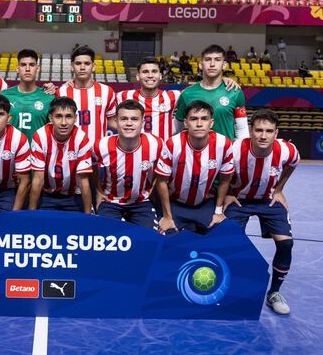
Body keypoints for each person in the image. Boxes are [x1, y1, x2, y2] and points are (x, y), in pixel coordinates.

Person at [224, 109, 299, 315]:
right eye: (258, 130)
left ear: (276, 132)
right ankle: (230, 289)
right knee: (229, 242)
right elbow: (222, 172)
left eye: (269, 131)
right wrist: (229, 192)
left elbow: (292, 164)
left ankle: (273, 293)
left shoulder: (287, 151)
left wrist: (279, 189)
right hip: (240, 200)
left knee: (286, 243)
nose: (263, 135)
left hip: (268, 199)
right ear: (250, 130)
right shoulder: (235, 148)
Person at [155, 100, 234, 235]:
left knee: (222, 237)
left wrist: (218, 212)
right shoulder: (173, 143)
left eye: (204, 119)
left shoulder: (223, 144)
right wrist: (167, 216)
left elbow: (225, 180)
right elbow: (161, 181)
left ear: (211, 123)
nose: (199, 124)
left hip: (204, 204)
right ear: (186, 123)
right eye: (193, 119)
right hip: (175, 203)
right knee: (165, 239)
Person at [92, 99, 166, 229]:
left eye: (134, 119)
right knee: (104, 236)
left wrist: (152, 192)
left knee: (149, 239)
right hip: (111, 201)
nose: (129, 124)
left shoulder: (156, 144)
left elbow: (160, 173)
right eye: (124, 119)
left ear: (142, 122)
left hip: (141, 202)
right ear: (116, 121)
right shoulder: (101, 145)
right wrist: (98, 190)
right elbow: (92, 168)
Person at [28, 96, 93, 213]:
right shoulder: (40, 136)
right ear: (50, 118)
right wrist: (32, 213)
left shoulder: (81, 138)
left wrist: (88, 215)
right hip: (46, 195)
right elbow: (38, 179)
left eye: (68, 117)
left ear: (75, 118)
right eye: (58, 116)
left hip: (74, 196)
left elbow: (84, 181)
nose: (63, 122)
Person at [174, 44, 248, 141]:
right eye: (208, 59)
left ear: (224, 65)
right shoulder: (187, 94)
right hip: (195, 154)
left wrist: (242, 152)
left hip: (226, 154)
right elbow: (176, 129)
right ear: (201, 64)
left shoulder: (235, 92)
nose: (212, 64)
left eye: (217, 60)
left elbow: (242, 130)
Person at [56, 45, 117, 145]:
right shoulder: (62, 92)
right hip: (69, 152)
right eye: (78, 63)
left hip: (97, 153)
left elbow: (111, 121)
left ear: (93, 67)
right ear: (72, 67)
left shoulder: (107, 91)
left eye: (87, 63)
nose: (82, 67)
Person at [117, 57, 181, 142]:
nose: (150, 75)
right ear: (138, 77)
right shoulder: (123, 96)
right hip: (134, 151)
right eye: (145, 72)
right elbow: (109, 117)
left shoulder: (173, 96)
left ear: (160, 76)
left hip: (162, 153)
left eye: (154, 71)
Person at [2, 49, 54, 142]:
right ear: (17, 68)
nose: (27, 69)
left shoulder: (48, 97)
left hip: (39, 153)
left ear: (38, 68)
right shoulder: (4, 96)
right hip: (12, 153)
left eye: (32, 65)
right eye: (23, 65)